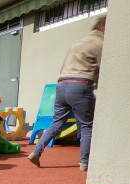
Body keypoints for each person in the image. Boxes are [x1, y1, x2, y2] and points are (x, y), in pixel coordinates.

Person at [28, 16, 106, 172]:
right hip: (81, 86)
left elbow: (62, 67)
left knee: (57, 123)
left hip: (61, 84)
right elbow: (104, 68)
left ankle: (36, 151)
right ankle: (84, 163)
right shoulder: (101, 44)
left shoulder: (77, 43)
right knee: (86, 126)